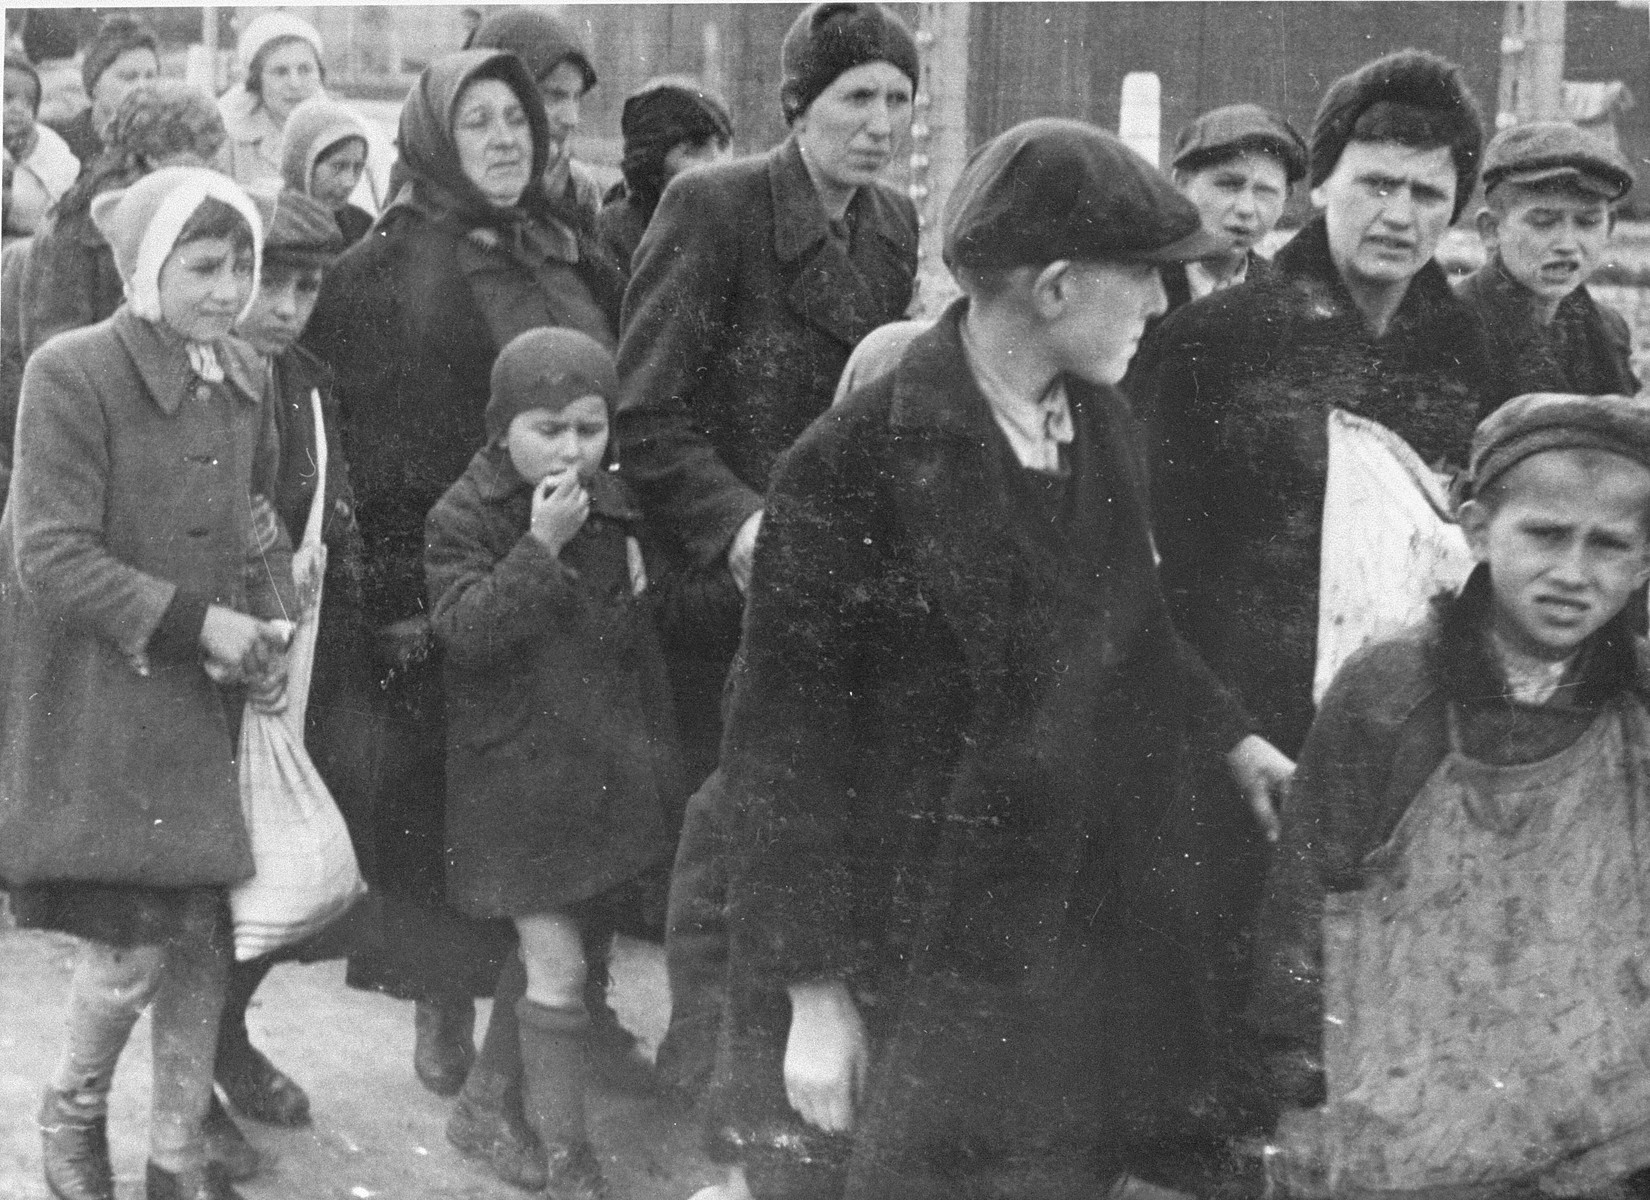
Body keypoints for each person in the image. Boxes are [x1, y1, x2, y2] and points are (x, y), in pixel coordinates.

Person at [711, 117, 1294, 1200]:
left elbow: (1134, 628)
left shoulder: (1103, 423)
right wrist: (814, 995)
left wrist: (1232, 735)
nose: (1166, 306)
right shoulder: (849, 464)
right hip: (913, 951)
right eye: (1149, 280)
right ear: (1059, 288)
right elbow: (781, 749)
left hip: (1073, 945)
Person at [302, 47, 625, 1192]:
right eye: (478, 120)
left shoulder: (573, 243)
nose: (505, 139)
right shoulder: (385, 265)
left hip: (573, 552)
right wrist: (398, 598)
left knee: (559, 807)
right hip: (450, 569)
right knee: (453, 812)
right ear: (437, 134)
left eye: (520, 121)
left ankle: (526, 1040)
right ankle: (448, 1000)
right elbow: (362, 445)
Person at [615, 0, 920, 1110]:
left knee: (792, 834)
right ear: (797, 106)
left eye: (899, 100)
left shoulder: (891, 224)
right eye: (856, 98)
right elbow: (645, 411)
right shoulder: (714, 206)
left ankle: (747, 1086)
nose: (880, 123)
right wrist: (742, 527)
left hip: (830, 572)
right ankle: (704, 1083)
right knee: (725, 841)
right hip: (721, 569)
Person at [1252, 391, 1650, 1196]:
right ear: (1475, 528)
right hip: (1408, 1127)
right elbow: (1302, 901)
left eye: (1609, 546)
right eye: (1543, 534)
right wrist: (1294, 1093)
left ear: (1644, 563)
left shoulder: (1637, 704)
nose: (1573, 572)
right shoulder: (1390, 693)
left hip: (1596, 1122)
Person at [0, 164, 292, 1200]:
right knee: (128, 949)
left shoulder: (245, 373)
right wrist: (198, 621)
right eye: (200, 266)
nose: (225, 288)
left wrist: (270, 622)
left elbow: (252, 522)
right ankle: (72, 1118)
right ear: (140, 268)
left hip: (203, 694)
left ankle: (176, 1155)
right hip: (107, 692)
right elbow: (51, 554)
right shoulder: (73, 374)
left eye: (241, 265)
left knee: (202, 940)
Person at [426, 327, 680, 1200]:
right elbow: (464, 633)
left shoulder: (615, 503)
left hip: (592, 775)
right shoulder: (465, 514)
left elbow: (629, 637)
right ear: (503, 430)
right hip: (511, 783)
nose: (572, 449)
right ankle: (569, 1158)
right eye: (548, 429)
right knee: (560, 967)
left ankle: (486, 1105)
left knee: (557, 954)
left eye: (589, 427)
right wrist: (540, 548)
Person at [193, 189, 362, 1175]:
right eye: (272, 281)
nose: (289, 304)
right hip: (216, 653)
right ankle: (192, 1086)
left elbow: (324, 503)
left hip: (301, 639)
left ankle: (229, 1036)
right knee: (210, 876)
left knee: (278, 867)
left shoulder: (308, 380)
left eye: (307, 286)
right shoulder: (203, 379)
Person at [18, 79, 226, 361]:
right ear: (151, 157)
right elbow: (55, 351)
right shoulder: (79, 226)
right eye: (202, 159)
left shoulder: (194, 206)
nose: (211, 172)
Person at [1458, 121, 1639, 408]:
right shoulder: (1449, 327)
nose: (1567, 244)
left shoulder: (1608, 329)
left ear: (1610, 227)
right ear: (1492, 230)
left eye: (1588, 222)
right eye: (1543, 222)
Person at [465, 7, 606, 226]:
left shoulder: (578, 185)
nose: (571, 118)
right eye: (553, 96)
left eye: (577, 97)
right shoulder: (439, 193)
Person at [1161, 102, 1305, 313]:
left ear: (1285, 198)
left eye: (1264, 191)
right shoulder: (1141, 280)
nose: (1246, 209)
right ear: (1181, 183)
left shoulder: (1286, 300)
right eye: (1229, 185)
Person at [594, 76, 732, 273]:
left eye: (723, 145)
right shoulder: (614, 236)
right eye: (693, 150)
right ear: (652, 163)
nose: (718, 163)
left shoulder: (738, 226)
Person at [216, 12, 326, 196]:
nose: (295, 83)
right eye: (280, 72)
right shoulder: (230, 135)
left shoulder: (344, 129)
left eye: (305, 70)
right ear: (257, 81)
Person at [52, 13, 160, 168]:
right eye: (128, 77)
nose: (142, 87)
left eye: (150, 76)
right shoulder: (58, 146)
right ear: (94, 83)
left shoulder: (166, 146)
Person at [279, 95, 376, 245]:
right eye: (338, 167)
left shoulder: (364, 228)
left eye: (358, 167)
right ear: (302, 165)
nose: (349, 182)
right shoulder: (268, 226)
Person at [4, 50, 79, 235]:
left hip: (38, 224)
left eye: (29, 102)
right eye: (6, 98)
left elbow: (65, 178)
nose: (18, 108)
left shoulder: (46, 142)